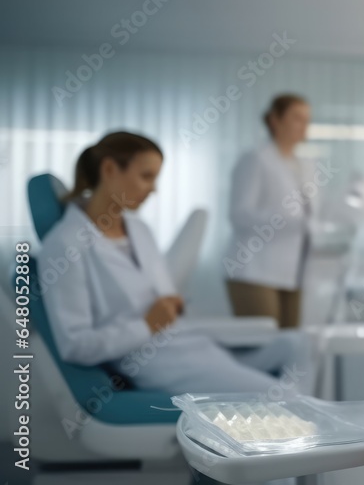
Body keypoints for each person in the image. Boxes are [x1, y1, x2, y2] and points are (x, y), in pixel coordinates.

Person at [38, 131, 314, 397]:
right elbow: (75, 345)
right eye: (146, 176)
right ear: (109, 170)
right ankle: (313, 428)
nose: (154, 189)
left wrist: (171, 304)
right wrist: (147, 325)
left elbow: (161, 294)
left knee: (299, 343)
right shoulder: (64, 246)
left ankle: (297, 426)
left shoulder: (138, 228)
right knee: (287, 397)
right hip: (154, 359)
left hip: (191, 342)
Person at [225, 93, 316, 328]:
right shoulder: (255, 160)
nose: (305, 125)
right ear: (275, 120)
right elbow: (239, 214)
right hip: (253, 269)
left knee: (290, 347)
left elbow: (312, 213)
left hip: (293, 272)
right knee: (263, 347)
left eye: (307, 119)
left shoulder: (305, 166)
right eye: (297, 118)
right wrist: (291, 222)